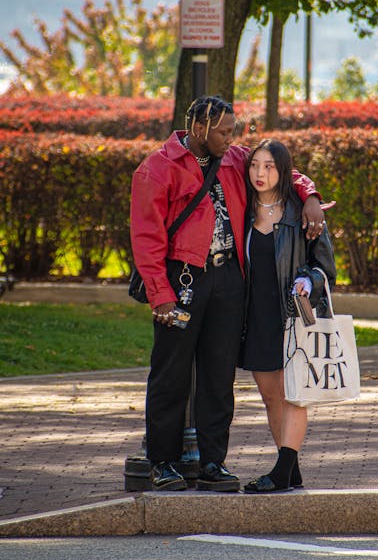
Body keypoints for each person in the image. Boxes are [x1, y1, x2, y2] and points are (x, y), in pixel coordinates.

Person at [129, 96, 325, 493]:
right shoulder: (157, 168)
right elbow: (146, 239)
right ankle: (163, 462)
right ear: (199, 127)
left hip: (229, 280)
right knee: (171, 372)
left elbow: (283, 170)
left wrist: (312, 198)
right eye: (222, 132)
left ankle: (212, 462)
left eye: (232, 131)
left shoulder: (235, 159)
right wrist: (160, 295)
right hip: (181, 280)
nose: (230, 139)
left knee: (219, 376)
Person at [241, 138, 336, 493]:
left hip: (293, 316)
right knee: (270, 395)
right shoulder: (242, 209)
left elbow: (325, 267)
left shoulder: (301, 214)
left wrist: (307, 282)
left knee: (294, 392)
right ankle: (290, 465)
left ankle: (281, 471)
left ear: (283, 172)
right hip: (255, 315)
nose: (260, 173)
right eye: (255, 165)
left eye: (269, 166)